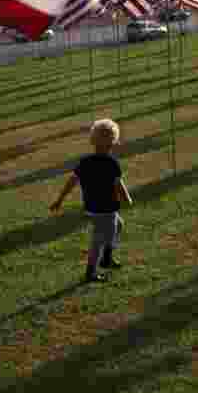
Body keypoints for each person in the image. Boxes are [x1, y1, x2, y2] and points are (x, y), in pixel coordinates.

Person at [49, 119, 133, 283]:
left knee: (118, 225)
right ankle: (91, 271)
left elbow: (72, 181)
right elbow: (119, 184)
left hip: (92, 207)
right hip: (106, 208)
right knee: (99, 239)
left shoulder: (85, 162)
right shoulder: (111, 163)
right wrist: (127, 198)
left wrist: (60, 199)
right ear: (113, 143)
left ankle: (106, 258)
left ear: (93, 140)